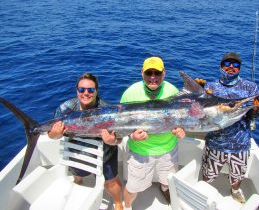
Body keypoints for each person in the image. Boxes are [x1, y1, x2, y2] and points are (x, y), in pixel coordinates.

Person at [196, 52, 259, 203]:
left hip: (240, 145)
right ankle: (205, 192)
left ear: (240, 69)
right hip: (215, 144)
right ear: (221, 67)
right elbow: (200, 114)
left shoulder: (250, 87)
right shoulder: (210, 87)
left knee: (237, 176)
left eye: (236, 65)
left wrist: (258, 104)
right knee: (207, 175)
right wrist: (199, 94)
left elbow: (253, 116)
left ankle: (235, 191)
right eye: (227, 64)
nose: (231, 67)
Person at [48, 73, 123, 210]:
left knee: (112, 183)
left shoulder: (107, 110)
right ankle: (79, 180)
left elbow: (119, 138)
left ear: (97, 91)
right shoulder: (65, 108)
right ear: (77, 90)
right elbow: (51, 135)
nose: (86, 93)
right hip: (77, 153)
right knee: (77, 176)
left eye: (90, 90)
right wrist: (55, 133)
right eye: (82, 90)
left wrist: (113, 141)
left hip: (105, 154)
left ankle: (118, 202)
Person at [120, 56, 186, 210]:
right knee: (133, 187)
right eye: (149, 73)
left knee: (167, 180)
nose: (153, 77)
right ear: (142, 73)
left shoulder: (173, 92)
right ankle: (127, 206)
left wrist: (181, 130)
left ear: (164, 74)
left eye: (157, 73)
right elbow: (122, 122)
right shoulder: (130, 93)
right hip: (140, 151)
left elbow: (182, 119)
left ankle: (165, 189)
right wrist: (132, 135)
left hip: (169, 149)